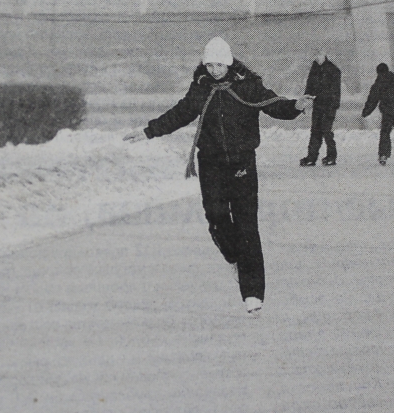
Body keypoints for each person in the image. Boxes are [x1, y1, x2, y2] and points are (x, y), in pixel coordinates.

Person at [123, 37, 312, 315]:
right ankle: (235, 258)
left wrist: (296, 106)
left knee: (247, 226)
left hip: (242, 162)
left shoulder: (248, 85)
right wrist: (148, 131)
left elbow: (274, 105)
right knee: (216, 218)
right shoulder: (200, 88)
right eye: (209, 64)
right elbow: (179, 114)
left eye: (219, 64)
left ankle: (253, 294)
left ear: (229, 62)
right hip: (211, 163)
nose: (214, 70)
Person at [361, 62, 394, 165]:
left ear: (378, 72)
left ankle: (383, 155)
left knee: (385, 134)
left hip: (387, 113)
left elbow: (372, 100)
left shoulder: (378, 85)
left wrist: (365, 112)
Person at [299, 49, 341, 166]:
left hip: (329, 105)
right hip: (318, 104)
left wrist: (333, 105)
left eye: (318, 55)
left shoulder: (333, 70)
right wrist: (306, 97)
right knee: (315, 131)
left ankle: (331, 156)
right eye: (315, 56)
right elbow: (310, 84)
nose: (316, 58)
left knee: (326, 131)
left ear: (324, 55)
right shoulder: (315, 69)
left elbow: (336, 90)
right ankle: (311, 157)